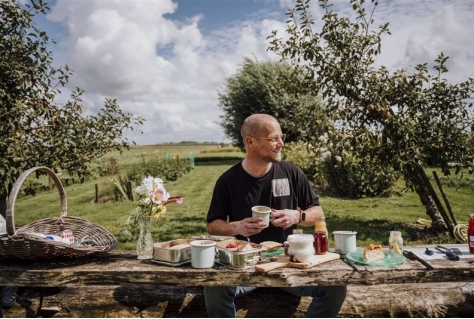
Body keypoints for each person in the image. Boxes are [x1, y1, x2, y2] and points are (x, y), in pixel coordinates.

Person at [204, 113, 347, 318]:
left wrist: (296, 216)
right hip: (245, 265)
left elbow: (318, 213)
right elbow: (213, 224)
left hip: (290, 261)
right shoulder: (227, 180)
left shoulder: (292, 172)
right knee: (214, 288)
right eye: (273, 139)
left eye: (281, 137)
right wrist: (237, 227)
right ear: (250, 141)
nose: (281, 144)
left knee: (335, 288)